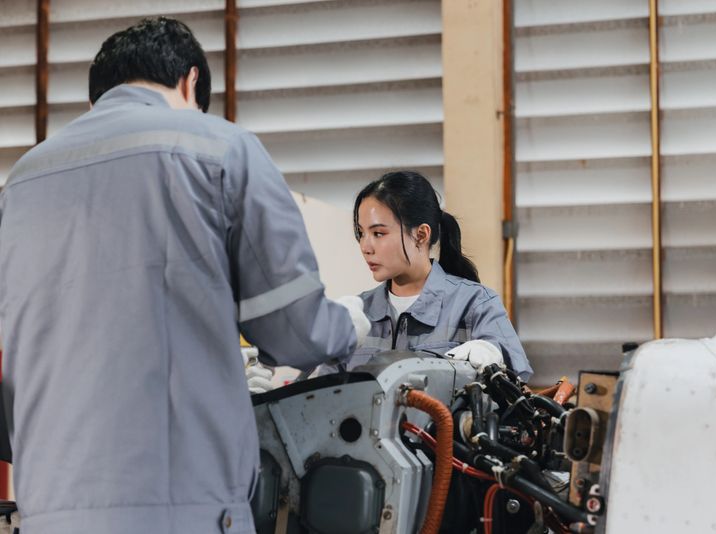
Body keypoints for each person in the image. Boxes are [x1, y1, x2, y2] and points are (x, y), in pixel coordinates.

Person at [0, 17, 368, 534]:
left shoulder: (21, 181)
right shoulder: (222, 149)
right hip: (182, 510)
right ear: (192, 83)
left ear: (95, 100)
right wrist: (351, 323)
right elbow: (296, 333)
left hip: (44, 509)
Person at [332, 170, 533, 381]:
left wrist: (493, 357)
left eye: (378, 233)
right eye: (361, 233)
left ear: (421, 235)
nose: (365, 246)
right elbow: (322, 398)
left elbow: (517, 386)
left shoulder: (475, 304)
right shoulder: (358, 314)